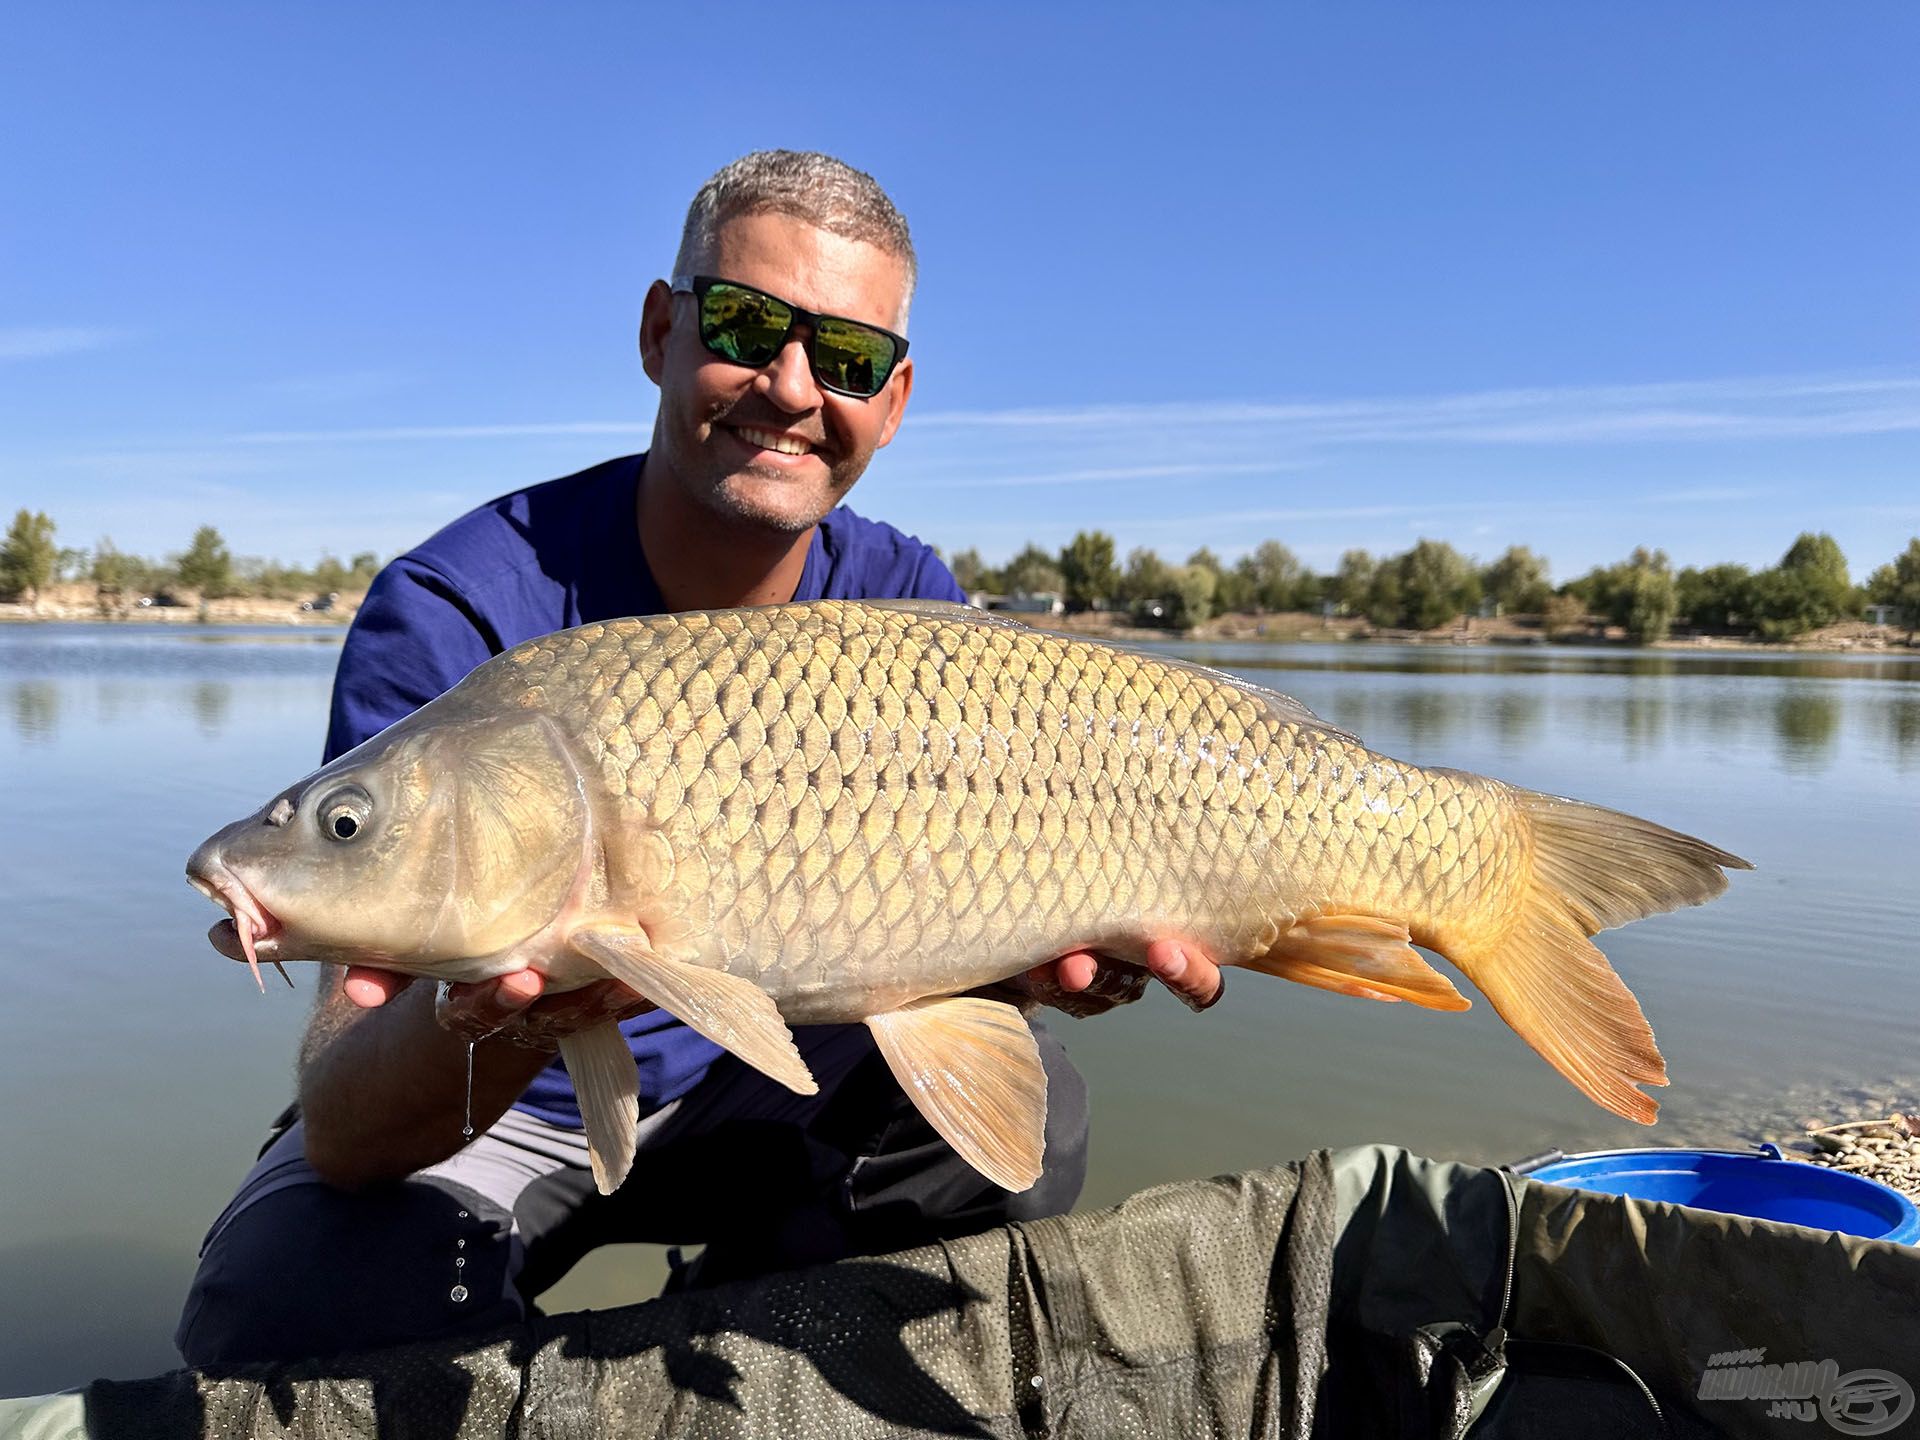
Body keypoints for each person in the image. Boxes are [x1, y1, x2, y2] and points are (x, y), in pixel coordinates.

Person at [175, 151, 1221, 1367]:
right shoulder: (456, 610)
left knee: (1023, 1127)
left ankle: (740, 1330)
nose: (790, 387)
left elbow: (972, 982)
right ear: (661, 329)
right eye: (743, 325)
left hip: (784, 1090)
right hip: (517, 1114)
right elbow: (348, 1126)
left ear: (893, 400)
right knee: (293, 1289)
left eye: (848, 359)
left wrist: (1035, 963)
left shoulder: (907, 604)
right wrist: (509, 1017)